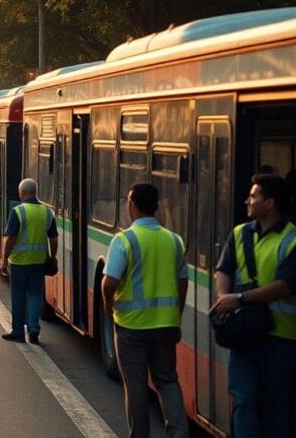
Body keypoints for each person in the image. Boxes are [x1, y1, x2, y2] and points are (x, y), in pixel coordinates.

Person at [211, 174, 296, 438]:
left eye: (253, 196)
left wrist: (238, 300)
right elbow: (224, 269)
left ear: (270, 203)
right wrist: (222, 298)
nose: (247, 201)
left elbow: (286, 285)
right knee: (243, 399)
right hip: (245, 334)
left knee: (277, 406)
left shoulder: (294, 239)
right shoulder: (240, 233)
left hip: (280, 337)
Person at [102, 184, 189, 438]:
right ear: (157, 207)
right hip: (166, 325)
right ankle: (179, 433)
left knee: (136, 385)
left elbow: (109, 282)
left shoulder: (124, 240)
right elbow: (182, 281)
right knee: (167, 380)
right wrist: (176, 316)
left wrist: (109, 306)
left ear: (132, 205)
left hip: (131, 327)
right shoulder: (174, 240)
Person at [0, 178, 57, 344]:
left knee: (18, 296)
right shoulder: (46, 212)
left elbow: (11, 238)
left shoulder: (18, 212)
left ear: (22, 193)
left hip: (18, 262)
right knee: (35, 295)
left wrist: (4, 259)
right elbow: (53, 239)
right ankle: (33, 330)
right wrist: (52, 258)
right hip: (38, 262)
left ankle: (18, 331)